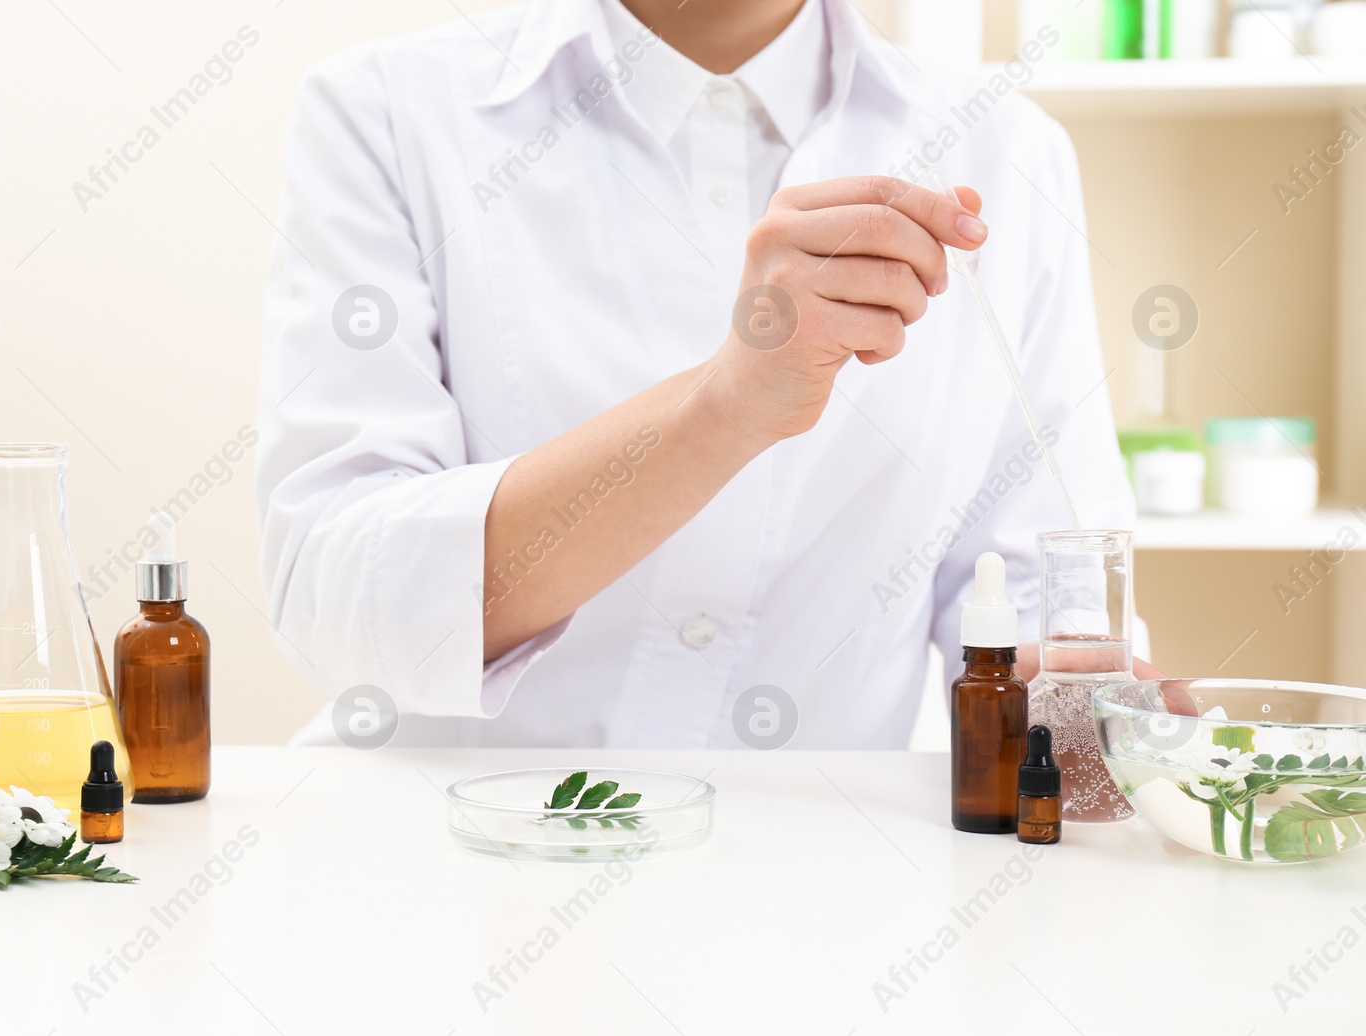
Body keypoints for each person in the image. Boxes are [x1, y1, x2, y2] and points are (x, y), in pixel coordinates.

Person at [255, 0, 1150, 748]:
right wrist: (722, 411)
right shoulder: (385, 111)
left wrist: (1089, 722)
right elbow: (340, 607)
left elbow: (1038, 600)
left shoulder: (1007, 153)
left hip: (814, 903)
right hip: (441, 886)